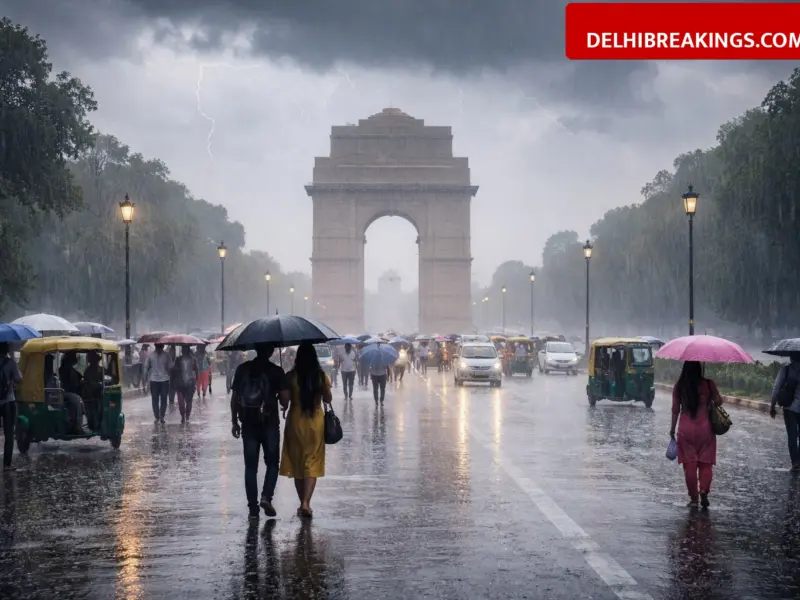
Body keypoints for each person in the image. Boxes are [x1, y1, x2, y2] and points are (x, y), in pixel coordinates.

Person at [231, 343, 290, 519]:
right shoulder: (276, 371)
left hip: (248, 424)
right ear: (271, 351)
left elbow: (235, 399)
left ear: (255, 350)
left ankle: (253, 510)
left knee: (250, 467)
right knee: (272, 463)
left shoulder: (242, 369)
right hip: (270, 423)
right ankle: (266, 496)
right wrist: (280, 397)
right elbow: (285, 401)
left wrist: (234, 422)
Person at [279, 342, 333, 519]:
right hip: (315, 422)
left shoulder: (291, 376)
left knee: (298, 462)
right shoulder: (321, 376)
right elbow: (328, 398)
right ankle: (306, 503)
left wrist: (283, 388)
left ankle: (301, 501)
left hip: (295, 421)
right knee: (312, 461)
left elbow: (284, 402)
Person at [670, 361, 722, 508]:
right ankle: (704, 490)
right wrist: (711, 393)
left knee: (689, 465)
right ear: (699, 369)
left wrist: (672, 430)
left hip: (686, 430)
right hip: (706, 429)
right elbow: (719, 402)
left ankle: (694, 498)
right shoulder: (708, 384)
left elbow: (675, 410)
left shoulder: (679, 387)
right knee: (706, 463)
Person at [770, 354, 800, 470]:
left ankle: (795, 463)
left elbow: (777, 387)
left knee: (792, 436)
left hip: (790, 408)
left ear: (791, 357)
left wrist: (772, 406)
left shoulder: (786, 369)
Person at [0, 343, 22, 471]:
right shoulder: (11, 363)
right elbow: (19, 378)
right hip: (8, 402)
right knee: (9, 434)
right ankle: (7, 465)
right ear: (7, 350)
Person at [144, 343, 172, 424]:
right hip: (164, 380)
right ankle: (161, 416)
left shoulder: (151, 356)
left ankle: (157, 417)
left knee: (155, 399)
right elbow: (170, 368)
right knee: (163, 399)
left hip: (155, 381)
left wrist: (145, 380)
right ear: (163, 346)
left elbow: (146, 368)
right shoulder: (167, 355)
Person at [82, 351, 105, 430]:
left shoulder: (102, 370)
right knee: (91, 412)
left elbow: (107, 380)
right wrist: (98, 384)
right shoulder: (88, 371)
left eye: (95, 360)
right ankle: (93, 425)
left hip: (100, 394)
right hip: (90, 394)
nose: (95, 362)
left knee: (101, 409)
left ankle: (99, 424)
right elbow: (88, 382)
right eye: (93, 361)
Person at [176, 346, 198, 423]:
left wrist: (196, 381)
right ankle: (183, 416)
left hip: (190, 383)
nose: (184, 351)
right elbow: (175, 370)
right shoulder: (178, 359)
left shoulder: (193, 359)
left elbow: (196, 370)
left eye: (186, 350)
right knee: (181, 401)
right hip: (180, 383)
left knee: (189, 401)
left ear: (188, 350)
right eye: (183, 350)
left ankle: (187, 416)